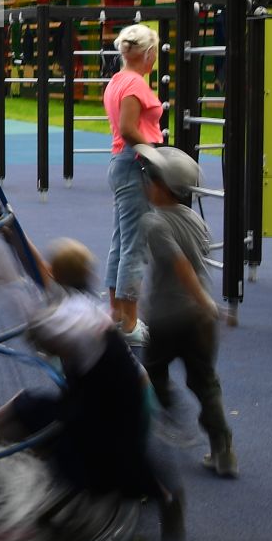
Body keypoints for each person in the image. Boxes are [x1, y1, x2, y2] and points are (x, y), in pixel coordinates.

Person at [0, 240, 183, 541]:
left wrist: (4, 278)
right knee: (108, 451)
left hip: (117, 401)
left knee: (97, 451)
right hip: (122, 395)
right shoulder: (79, 301)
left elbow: (37, 326)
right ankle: (147, 493)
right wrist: (11, 236)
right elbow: (39, 269)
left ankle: (83, 486)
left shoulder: (70, 315)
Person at [134, 145, 236, 479]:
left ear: (162, 188)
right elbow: (199, 252)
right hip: (201, 322)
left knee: (152, 370)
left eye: (150, 178)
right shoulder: (194, 219)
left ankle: (169, 415)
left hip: (168, 317)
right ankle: (223, 449)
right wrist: (205, 304)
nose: (146, 183)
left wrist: (201, 299)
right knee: (205, 382)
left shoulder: (153, 222)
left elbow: (179, 263)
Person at [101, 23, 164, 342]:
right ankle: (129, 322)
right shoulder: (136, 85)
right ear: (149, 53)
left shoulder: (116, 80)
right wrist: (155, 155)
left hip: (122, 162)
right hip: (134, 163)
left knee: (122, 241)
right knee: (135, 245)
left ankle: (117, 314)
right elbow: (128, 129)